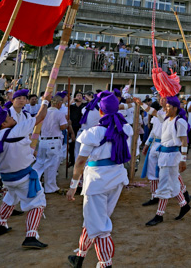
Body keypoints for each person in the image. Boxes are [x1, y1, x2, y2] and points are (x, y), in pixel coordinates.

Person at [66, 93, 131, 268]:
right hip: (116, 178)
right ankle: (79, 257)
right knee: (93, 221)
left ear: (100, 111)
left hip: (97, 182)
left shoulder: (94, 132)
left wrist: (73, 186)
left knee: (100, 227)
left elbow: (80, 161)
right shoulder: (125, 128)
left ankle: (105, 264)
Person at [0, 88, 50, 248]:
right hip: (21, 176)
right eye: (8, 118)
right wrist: (45, 100)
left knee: (11, 197)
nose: (11, 117)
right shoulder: (15, 130)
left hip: (7, 177)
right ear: (3, 123)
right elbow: (41, 116)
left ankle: (1, 223)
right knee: (38, 203)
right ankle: (31, 236)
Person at [146, 96, 191, 226]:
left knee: (165, 185)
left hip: (172, 157)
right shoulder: (165, 120)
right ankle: (184, 205)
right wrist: (141, 104)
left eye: (168, 107)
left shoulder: (180, 122)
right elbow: (153, 112)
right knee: (173, 183)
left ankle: (159, 215)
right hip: (164, 156)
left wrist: (183, 159)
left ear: (175, 108)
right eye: (165, 106)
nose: (166, 109)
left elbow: (184, 141)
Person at [34, 94, 68, 194]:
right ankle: (50, 187)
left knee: (39, 163)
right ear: (59, 103)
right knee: (52, 166)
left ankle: (32, 182)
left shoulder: (44, 112)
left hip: (43, 140)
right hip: (53, 141)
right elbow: (62, 127)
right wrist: (67, 123)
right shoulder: (59, 114)